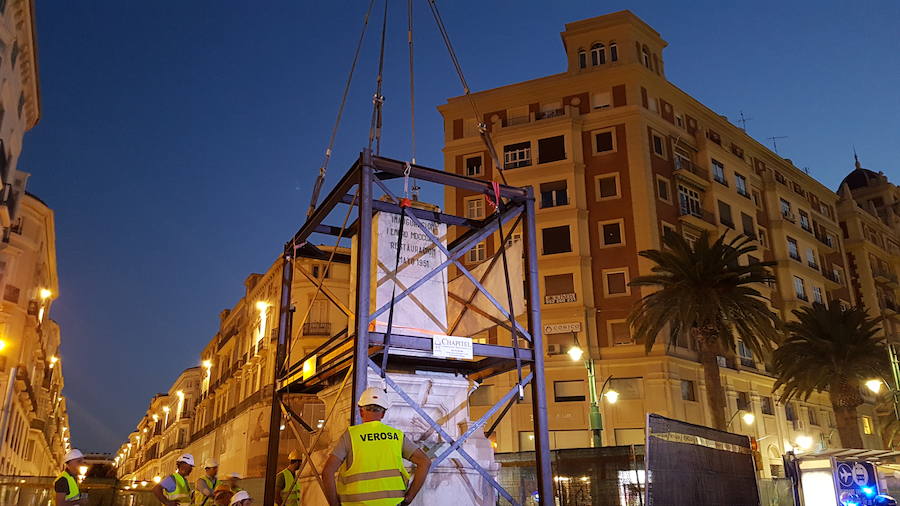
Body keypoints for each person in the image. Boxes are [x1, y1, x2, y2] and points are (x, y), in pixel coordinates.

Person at [322, 387, 432, 506]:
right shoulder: (396, 436)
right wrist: (410, 496)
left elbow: (327, 472)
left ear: (361, 411)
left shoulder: (351, 436)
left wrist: (334, 504)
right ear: (383, 413)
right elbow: (425, 462)